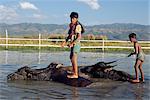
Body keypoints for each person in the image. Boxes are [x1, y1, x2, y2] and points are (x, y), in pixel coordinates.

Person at [61, 12, 84, 78]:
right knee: (71, 57)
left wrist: (72, 43)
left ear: (76, 19)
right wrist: (65, 42)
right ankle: (74, 71)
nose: (72, 20)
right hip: (72, 43)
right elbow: (69, 36)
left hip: (76, 44)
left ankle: (76, 74)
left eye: (73, 18)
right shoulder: (71, 25)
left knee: (74, 58)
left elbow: (79, 36)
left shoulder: (78, 26)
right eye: (71, 18)